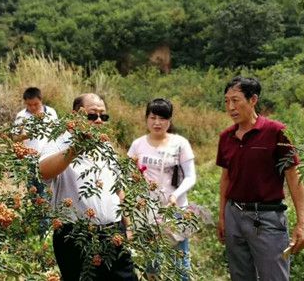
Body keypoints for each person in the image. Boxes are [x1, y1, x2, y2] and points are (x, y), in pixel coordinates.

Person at [216, 76, 304, 281]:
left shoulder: (276, 132)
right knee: (240, 276)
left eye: (236, 100)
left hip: (267, 219)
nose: (230, 107)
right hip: (234, 215)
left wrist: (303, 223)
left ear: (253, 100)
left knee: (274, 277)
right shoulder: (226, 137)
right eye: (226, 101)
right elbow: (225, 179)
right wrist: (222, 216)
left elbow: (294, 178)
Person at [39, 93, 137, 281]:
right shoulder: (58, 142)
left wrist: (128, 226)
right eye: (92, 116)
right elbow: (43, 171)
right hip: (76, 237)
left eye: (103, 116)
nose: (99, 120)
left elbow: (119, 188)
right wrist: (75, 148)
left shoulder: (106, 146)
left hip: (113, 233)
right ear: (75, 116)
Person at [127, 98, 196, 280]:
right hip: (148, 213)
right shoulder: (137, 145)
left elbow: (190, 176)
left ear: (170, 120)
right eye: (153, 117)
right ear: (146, 119)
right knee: (153, 261)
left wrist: (176, 195)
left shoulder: (180, 143)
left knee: (180, 262)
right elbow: (128, 175)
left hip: (175, 211)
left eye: (163, 118)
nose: (157, 123)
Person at [14, 86, 58, 153]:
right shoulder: (21, 116)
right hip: (30, 156)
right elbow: (15, 138)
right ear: (25, 102)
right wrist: (25, 136)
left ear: (41, 100)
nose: (33, 107)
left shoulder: (51, 112)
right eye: (29, 105)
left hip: (50, 154)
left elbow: (57, 133)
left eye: (36, 104)